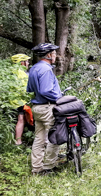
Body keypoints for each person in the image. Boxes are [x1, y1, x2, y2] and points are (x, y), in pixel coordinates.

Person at [27, 43, 63, 175]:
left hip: (36, 108)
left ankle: (36, 168)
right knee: (54, 137)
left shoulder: (34, 68)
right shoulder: (46, 70)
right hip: (48, 107)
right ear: (48, 55)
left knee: (39, 139)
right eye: (53, 53)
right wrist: (59, 96)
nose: (55, 55)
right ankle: (49, 167)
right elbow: (45, 90)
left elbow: (30, 89)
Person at [10, 54, 32, 145]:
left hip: (9, 101)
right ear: (21, 62)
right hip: (20, 101)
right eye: (26, 61)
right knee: (20, 119)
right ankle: (18, 141)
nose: (28, 63)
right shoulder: (24, 74)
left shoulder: (10, 71)